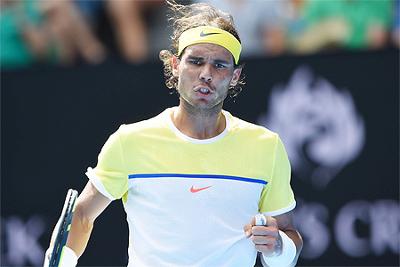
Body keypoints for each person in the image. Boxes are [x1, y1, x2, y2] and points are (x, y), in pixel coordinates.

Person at [44, 1, 302, 266]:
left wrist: (278, 246)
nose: (206, 74)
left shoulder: (266, 146)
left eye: (219, 65)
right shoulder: (129, 142)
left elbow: (286, 240)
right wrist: (63, 258)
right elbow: (83, 214)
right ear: (176, 65)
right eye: (196, 61)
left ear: (235, 76)